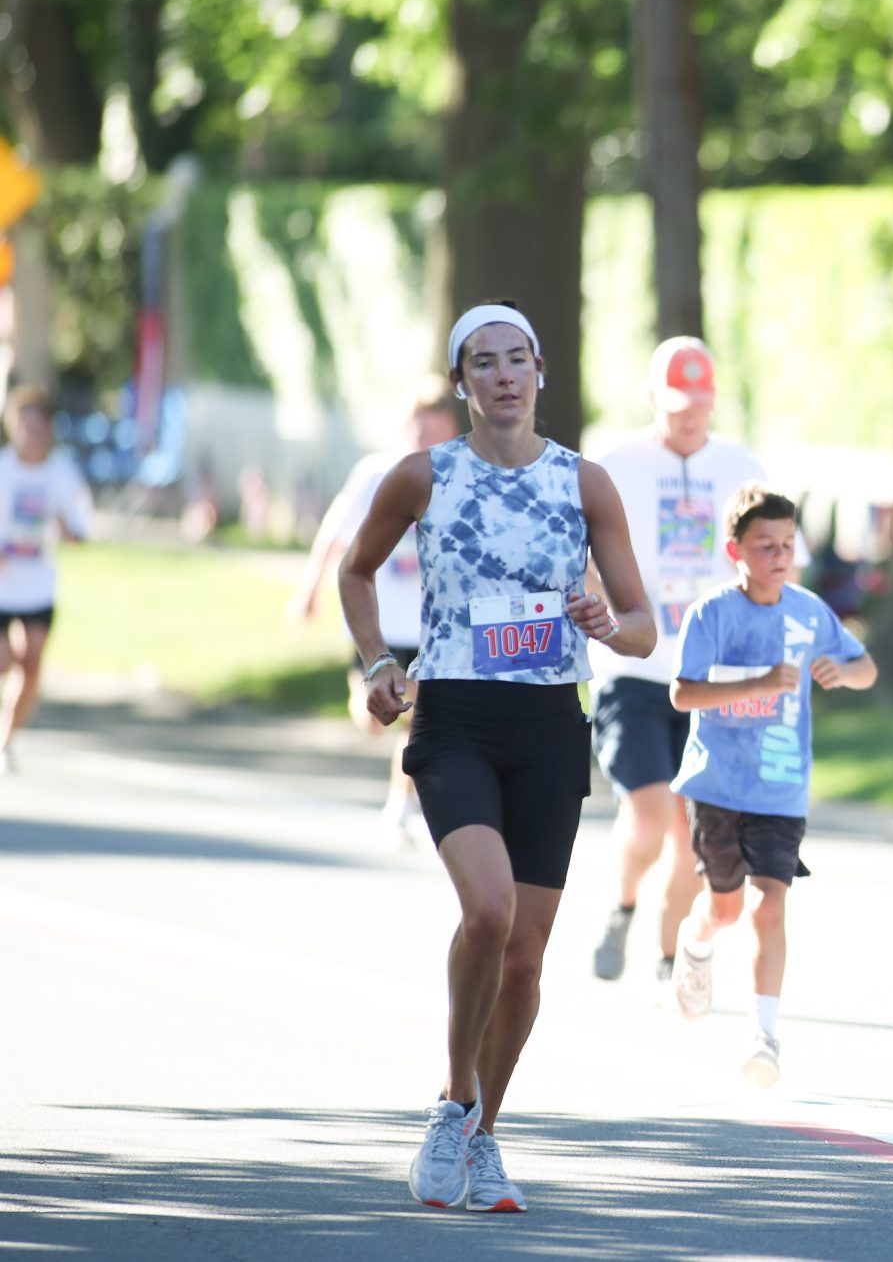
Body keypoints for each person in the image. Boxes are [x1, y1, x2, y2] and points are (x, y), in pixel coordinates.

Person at [340, 302, 654, 1214]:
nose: (505, 375)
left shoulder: (585, 483)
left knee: (524, 958)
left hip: (551, 723)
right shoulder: (423, 475)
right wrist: (378, 661)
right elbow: (356, 570)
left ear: (540, 370)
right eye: (485, 362)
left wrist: (608, 621)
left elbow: (643, 626)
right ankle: (452, 1104)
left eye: (519, 359)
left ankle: (485, 1136)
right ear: (461, 381)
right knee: (488, 908)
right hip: (456, 720)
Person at [666, 483, 875, 1086]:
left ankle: (764, 1035)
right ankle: (697, 939)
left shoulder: (809, 611)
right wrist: (756, 685)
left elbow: (866, 668)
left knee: (770, 902)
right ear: (735, 550)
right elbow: (682, 693)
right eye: (766, 545)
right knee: (726, 908)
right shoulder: (711, 613)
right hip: (717, 784)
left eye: (788, 543)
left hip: (782, 784)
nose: (780, 555)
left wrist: (842, 672)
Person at [587, 337, 778, 985]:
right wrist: (607, 611)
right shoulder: (614, 465)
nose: (688, 414)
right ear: (652, 398)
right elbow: (578, 560)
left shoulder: (743, 468)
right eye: (675, 402)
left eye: (698, 401)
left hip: (715, 680)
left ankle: (668, 959)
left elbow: (780, 559)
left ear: (713, 399)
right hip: (635, 670)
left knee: (695, 829)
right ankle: (622, 905)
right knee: (648, 812)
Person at [289, 379, 459, 843]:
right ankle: (378, 739)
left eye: (433, 426)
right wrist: (310, 590)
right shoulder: (375, 474)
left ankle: (400, 805)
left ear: (449, 427)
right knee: (373, 718)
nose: (424, 435)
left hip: (428, 629)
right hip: (377, 628)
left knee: (418, 718)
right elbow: (334, 535)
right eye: (417, 426)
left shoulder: (457, 477)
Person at [0, 385, 92, 775]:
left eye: (40, 427)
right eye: (27, 426)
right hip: (2, 587)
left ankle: (5, 740)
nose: (33, 435)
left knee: (32, 668)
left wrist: (67, 529)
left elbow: (81, 531)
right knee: (3, 662)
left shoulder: (63, 473)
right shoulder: (3, 469)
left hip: (37, 586)